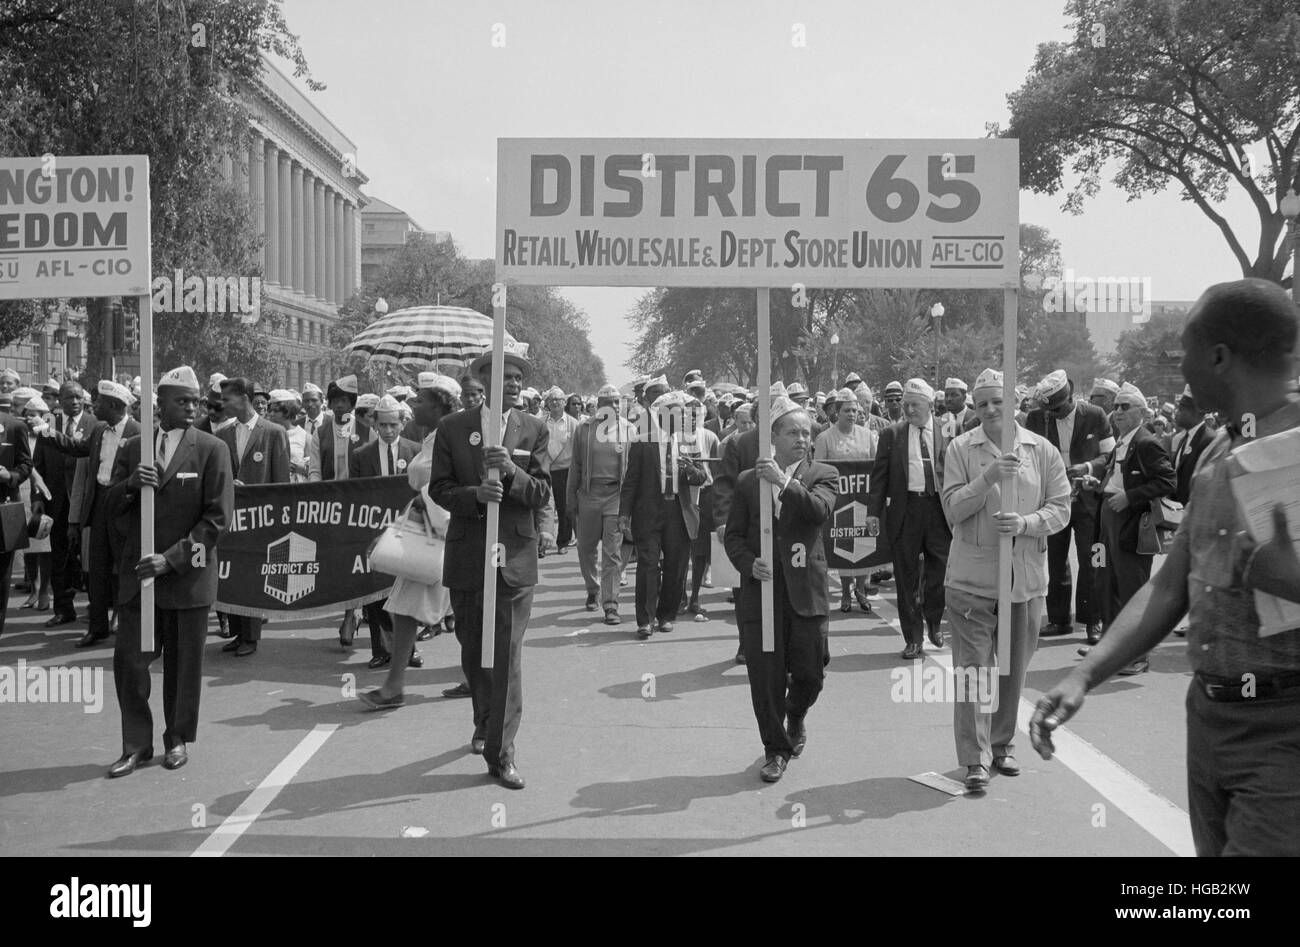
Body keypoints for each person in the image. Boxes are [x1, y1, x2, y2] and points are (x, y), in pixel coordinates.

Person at [1032, 278, 1300, 855]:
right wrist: (1086, 673)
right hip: (1210, 717)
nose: (1181, 369)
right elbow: (1170, 586)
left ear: (1220, 356)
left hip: (1285, 731)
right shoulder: (1215, 452)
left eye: (1186, 352)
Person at [430, 339, 551, 790]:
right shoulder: (453, 428)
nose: (516, 384)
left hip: (514, 561)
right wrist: (475, 496)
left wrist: (514, 474)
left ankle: (502, 754)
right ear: (484, 380)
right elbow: (438, 488)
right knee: (473, 648)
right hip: (468, 555)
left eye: (520, 377)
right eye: (507, 376)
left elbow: (541, 493)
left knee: (508, 657)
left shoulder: (533, 428)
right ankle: (483, 718)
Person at [942, 369, 1070, 791]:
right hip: (971, 583)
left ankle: (1002, 745)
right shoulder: (961, 449)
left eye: (998, 401)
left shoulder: (1042, 450)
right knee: (974, 673)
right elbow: (953, 510)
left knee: (1012, 673)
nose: (991, 410)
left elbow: (1061, 508)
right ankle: (973, 759)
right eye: (982, 404)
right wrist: (988, 477)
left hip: (1025, 581)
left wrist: (1027, 522)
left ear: (1013, 402)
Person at [105, 366, 233, 776]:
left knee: (182, 666)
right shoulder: (134, 448)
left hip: (186, 576)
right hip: (138, 579)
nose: (192, 407)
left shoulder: (212, 449)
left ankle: (176, 739)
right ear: (159, 404)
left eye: (196, 401)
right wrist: (128, 486)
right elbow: (109, 510)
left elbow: (216, 520)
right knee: (130, 663)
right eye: (182, 400)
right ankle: (135, 745)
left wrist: (171, 559)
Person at [725, 397, 837, 783]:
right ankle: (775, 749)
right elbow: (734, 537)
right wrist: (746, 563)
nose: (802, 439)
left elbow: (817, 512)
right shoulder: (746, 482)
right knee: (765, 676)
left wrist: (783, 482)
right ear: (772, 436)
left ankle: (797, 714)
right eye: (793, 432)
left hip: (806, 591)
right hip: (762, 594)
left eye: (807, 433)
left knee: (811, 672)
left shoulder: (824, 474)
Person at [359, 375, 464, 710]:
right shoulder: (435, 436)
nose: (413, 405)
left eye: (419, 400)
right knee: (408, 606)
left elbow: (433, 483)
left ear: (439, 405)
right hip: (427, 529)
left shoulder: (452, 437)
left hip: (444, 533)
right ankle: (395, 685)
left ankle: (475, 677)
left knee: (463, 609)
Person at [33, 380, 140, 648]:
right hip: (98, 506)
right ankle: (98, 627)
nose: (94, 405)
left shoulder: (138, 432)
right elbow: (75, 448)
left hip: (124, 509)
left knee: (124, 570)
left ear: (114, 405)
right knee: (96, 570)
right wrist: (46, 433)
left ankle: (128, 625)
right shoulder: (101, 430)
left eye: (99, 401)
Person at [1079, 381, 1175, 675]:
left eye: (1125, 407)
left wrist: (1130, 497)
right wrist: (1100, 485)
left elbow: (1167, 481)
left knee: (1132, 589)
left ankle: (1137, 656)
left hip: (1131, 524)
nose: (1117, 412)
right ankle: (1110, 647)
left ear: (1142, 413)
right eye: (1116, 406)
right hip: (1108, 518)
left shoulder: (1146, 442)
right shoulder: (1122, 441)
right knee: (1106, 583)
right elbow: (1118, 477)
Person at [1026, 370, 1115, 644]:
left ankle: (1092, 621)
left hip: (1087, 499)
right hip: (1053, 499)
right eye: (1050, 409)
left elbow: (1109, 455)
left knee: (1092, 560)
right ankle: (1058, 619)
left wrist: (1087, 467)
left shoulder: (1096, 415)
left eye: (1060, 407)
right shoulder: (1036, 418)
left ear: (1071, 394)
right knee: (1055, 559)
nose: (1055, 413)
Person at [868, 378, 954, 659]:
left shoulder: (947, 431)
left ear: (930, 405)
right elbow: (879, 478)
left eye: (915, 404)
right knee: (905, 578)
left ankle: (933, 620)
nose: (908, 409)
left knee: (939, 573)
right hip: (906, 512)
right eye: (906, 404)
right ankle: (913, 638)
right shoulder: (892, 435)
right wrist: (873, 513)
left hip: (938, 511)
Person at [620, 390, 708, 639]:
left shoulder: (689, 441)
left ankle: (666, 616)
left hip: (678, 511)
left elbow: (702, 477)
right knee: (647, 564)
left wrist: (691, 469)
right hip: (648, 510)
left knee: (676, 565)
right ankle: (644, 620)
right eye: (676, 413)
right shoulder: (643, 440)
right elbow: (631, 480)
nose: (681, 418)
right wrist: (624, 514)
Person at [216, 377, 291, 657]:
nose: (223, 405)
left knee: (252, 576)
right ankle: (238, 631)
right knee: (234, 574)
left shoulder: (273, 432)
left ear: (244, 399)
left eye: (228, 399)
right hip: (231, 517)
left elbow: (281, 482)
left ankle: (251, 636)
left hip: (262, 518)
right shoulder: (223, 434)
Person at [348, 395, 423, 669]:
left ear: (402, 423)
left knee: (407, 591)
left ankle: (409, 650)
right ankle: (381, 649)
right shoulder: (361, 455)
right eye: (383, 425)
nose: (388, 431)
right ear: (374, 424)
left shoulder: (415, 451)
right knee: (376, 591)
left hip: (409, 531)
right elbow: (354, 495)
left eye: (393, 425)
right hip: (374, 531)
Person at [308, 375, 372, 648]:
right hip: (331, 508)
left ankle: (352, 613)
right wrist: (315, 496)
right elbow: (314, 469)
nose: (339, 407)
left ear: (353, 403)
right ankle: (350, 609)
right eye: (335, 401)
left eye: (344, 401)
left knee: (358, 559)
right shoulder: (320, 432)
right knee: (340, 562)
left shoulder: (368, 431)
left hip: (361, 508)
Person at [568, 383, 634, 624]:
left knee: (612, 552)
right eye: (608, 402)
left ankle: (611, 603)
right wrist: (569, 501)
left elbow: (633, 469)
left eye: (617, 402)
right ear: (598, 405)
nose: (614, 406)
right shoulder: (584, 429)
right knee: (586, 549)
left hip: (616, 496)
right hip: (588, 495)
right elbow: (575, 466)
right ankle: (593, 589)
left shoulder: (629, 429)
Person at [34, 381, 95, 630]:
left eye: (78, 397)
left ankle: (95, 608)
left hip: (86, 504)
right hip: (57, 502)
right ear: (59, 399)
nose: (74, 402)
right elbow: (36, 465)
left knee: (91, 559)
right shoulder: (50, 425)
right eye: (69, 397)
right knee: (59, 557)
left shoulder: (95, 423)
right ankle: (63, 609)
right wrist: (37, 498)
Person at [814, 388, 880, 613]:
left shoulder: (867, 435)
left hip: (862, 498)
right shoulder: (824, 438)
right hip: (838, 502)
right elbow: (818, 470)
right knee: (842, 546)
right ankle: (844, 592)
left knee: (863, 544)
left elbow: (876, 467)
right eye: (847, 410)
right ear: (837, 412)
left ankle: (861, 590)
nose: (852, 414)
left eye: (855, 410)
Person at [681, 395, 720, 620]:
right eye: (689, 414)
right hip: (683, 496)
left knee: (701, 551)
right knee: (679, 550)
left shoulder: (710, 437)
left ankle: (694, 596)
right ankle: (679, 597)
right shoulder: (675, 438)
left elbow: (717, 469)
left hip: (706, 495)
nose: (694, 417)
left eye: (698, 414)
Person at [18, 394, 53, 611]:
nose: (30, 419)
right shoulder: (20, 435)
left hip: (41, 494)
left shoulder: (47, 437)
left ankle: (44, 592)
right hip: (21, 494)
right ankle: (33, 587)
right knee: (25, 545)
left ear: (44, 417)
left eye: (35, 415)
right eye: (27, 415)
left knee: (43, 545)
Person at [542, 386, 580, 553]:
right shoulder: (541, 422)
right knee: (543, 505)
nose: (555, 402)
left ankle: (563, 542)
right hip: (545, 469)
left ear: (565, 403)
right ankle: (542, 542)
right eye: (552, 400)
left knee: (565, 507)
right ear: (547, 404)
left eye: (559, 399)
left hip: (566, 471)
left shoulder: (574, 424)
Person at [1170, 384, 1212, 506]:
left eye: (1181, 409)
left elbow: (1204, 486)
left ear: (1196, 412)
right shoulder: (1185, 438)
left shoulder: (1207, 439)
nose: (1177, 413)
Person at [268, 390, 310, 483]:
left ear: (287, 411)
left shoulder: (304, 436)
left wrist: (298, 468)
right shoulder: (266, 434)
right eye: (270, 410)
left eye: (276, 411)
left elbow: (313, 470)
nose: (271, 414)